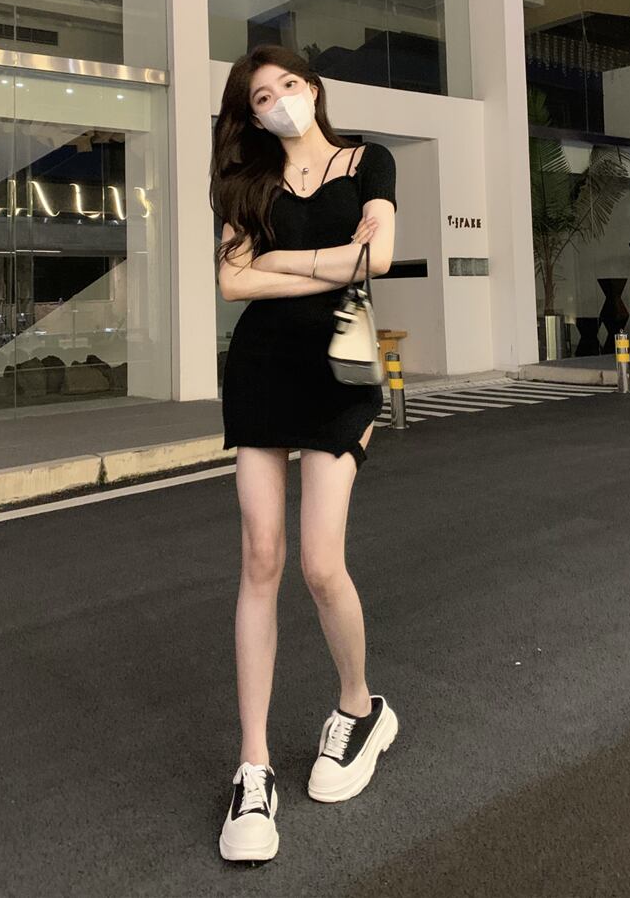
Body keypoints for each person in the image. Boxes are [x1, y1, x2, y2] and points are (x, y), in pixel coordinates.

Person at [210, 45, 399, 863]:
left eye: (290, 83)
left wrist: (277, 261)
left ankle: (360, 708)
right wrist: (330, 263)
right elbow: (231, 283)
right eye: (263, 95)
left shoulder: (368, 161)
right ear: (251, 116)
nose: (281, 99)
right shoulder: (247, 182)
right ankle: (253, 768)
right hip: (262, 367)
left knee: (322, 564)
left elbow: (377, 258)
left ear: (313, 89)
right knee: (261, 557)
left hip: (342, 364)